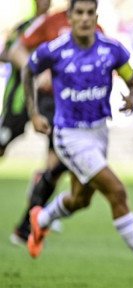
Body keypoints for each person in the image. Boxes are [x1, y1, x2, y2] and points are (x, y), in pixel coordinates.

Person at [22, 0, 133, 284]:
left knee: (81, 200)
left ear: (96, 16)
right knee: (116, 192)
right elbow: (28, 70)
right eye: (78, 13)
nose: (84, 18)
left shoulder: (111, 50)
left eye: (89, 13)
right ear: (69, 17)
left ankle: (40, 219)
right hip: (69, 134)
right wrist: (33, 113)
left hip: (98, 133)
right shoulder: (55, 50)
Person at [7, 2, 105, 245]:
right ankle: (31, 224)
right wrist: (40, 71)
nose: (84, 17)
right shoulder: (50, 22)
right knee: (58, 160)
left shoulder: (99, 30)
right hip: (52, 101)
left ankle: (28, 225)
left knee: (56, 164)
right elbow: (17, 50)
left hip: (78, 107)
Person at [0, 0, 51, 158]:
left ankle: (46, 179)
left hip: (48, 94)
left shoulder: (55, 26)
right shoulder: (24, 27)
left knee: (57, 137)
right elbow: (5, 54)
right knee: (3, 138)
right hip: (19, 93)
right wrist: (28, 62)